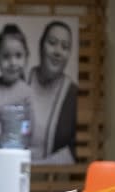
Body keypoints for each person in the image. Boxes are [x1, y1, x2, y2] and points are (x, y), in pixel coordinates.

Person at [27, 20, 77, 165]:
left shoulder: (73, 94)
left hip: (54, 181)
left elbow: (73, 150)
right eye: (52, 42)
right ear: (41, 45)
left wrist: (36, 168)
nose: (57, 52)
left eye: (65, 47)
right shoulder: (21, 80)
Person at [0, 24, 33, 149]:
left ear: (26, 57)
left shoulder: (26, 92)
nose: (13, 62)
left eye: (18, 56)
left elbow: (30, 128)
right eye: (6, 56)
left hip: (18, 150)